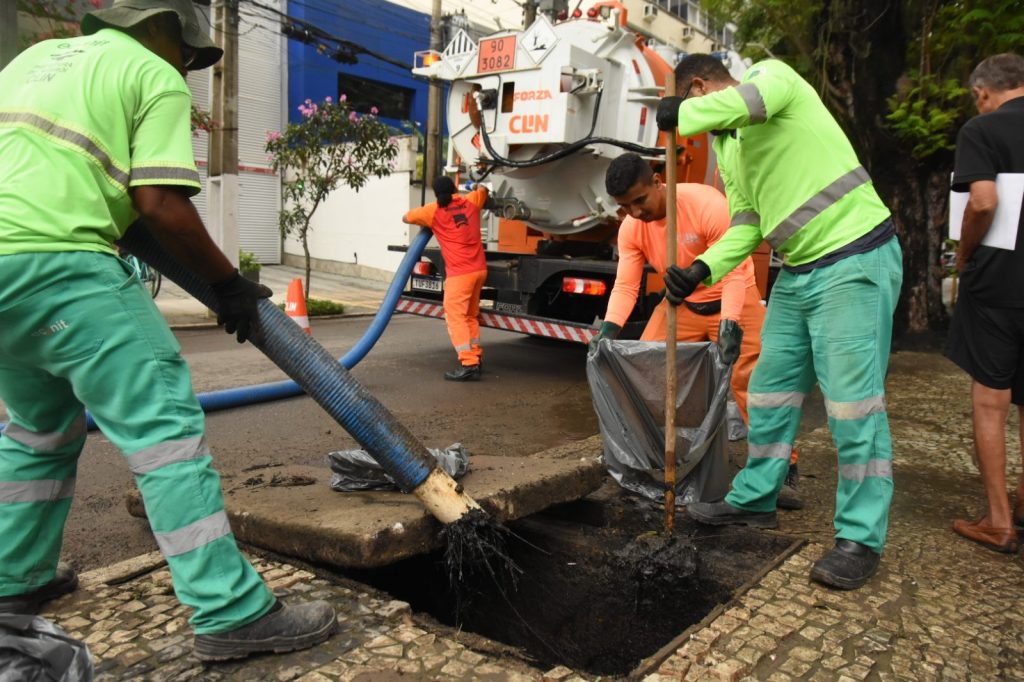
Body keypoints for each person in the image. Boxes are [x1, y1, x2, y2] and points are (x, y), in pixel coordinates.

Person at [0, 0, 337, 660]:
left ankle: (13, 579)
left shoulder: (31, 61)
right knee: (164, 433)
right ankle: (231, 611)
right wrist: (228, 286)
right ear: (161, 27)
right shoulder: (150, 72)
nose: (185, 67)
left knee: (37, 433)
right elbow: (159, 203)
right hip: (60, 265)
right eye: (187, 52)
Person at [656, 54, 903, 589]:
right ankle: (755, 499)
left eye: (691, 103)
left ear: (698, 87)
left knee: (852, 406)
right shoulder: (729, 147)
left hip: (853, 255)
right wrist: (701, 269)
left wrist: (680, 113)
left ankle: (861, 537)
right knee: (769, 392)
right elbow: (749, 224)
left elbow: (750, 102)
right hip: (797, 271)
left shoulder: (770, 77)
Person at [590, 153, 803, 510]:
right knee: (647, 374)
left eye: (640, 201)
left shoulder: (706, 205)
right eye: (625, 207)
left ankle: (781, 468)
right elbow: (627, 285)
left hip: (735, 297)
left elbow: (734, 269)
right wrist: (608, 330)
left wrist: (730, 323)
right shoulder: (632, 227)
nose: (635, 212)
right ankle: (660, 464)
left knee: (757, 387)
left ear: (658, 182)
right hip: (681, 305)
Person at [945, 53, 1024, 554]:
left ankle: (999, 521)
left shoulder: (983, 129)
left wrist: (963, 255)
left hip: (999, 283)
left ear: (983, 92)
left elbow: (983, 201)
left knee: (990, 400)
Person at [403, 176, 490, 381]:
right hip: (479, 270)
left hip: (460, 275)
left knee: (456, 317)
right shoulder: (471, 201)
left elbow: (406, 217)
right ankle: (475, 356)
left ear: (436, 193)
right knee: (470, 316)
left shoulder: (433, 210)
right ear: (454, 189)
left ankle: (468, 363)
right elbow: (483, 190)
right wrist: (476, 186)